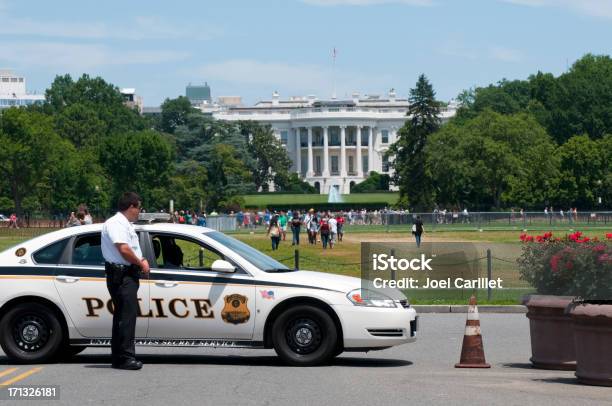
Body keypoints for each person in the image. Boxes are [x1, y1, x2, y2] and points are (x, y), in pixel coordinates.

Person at [101, 192, 149, 370]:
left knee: (123, 316)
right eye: (138, 207)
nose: (139, 211)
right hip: (121, 275)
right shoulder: (116, 223)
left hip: (125, 274)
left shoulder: (124, 224)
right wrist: (141, 262)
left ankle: (120, 356)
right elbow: (123, 248)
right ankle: (125, 358)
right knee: (126, 317)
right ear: (131, 207)